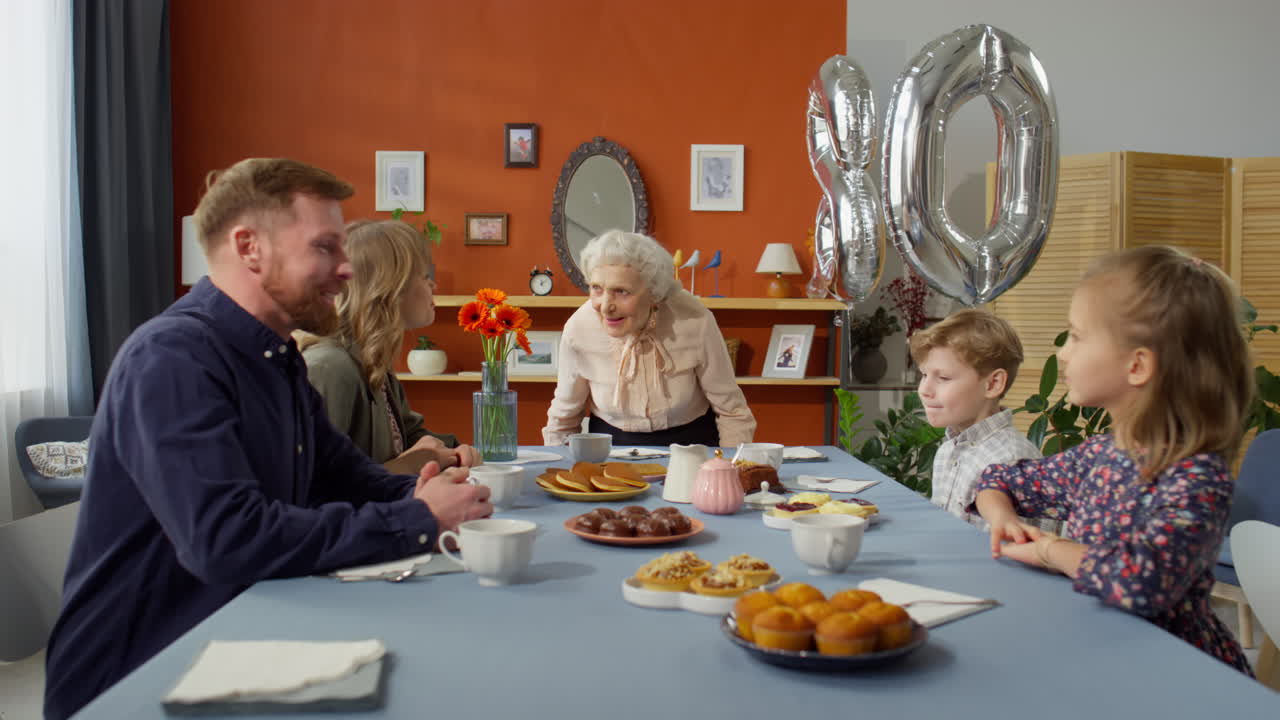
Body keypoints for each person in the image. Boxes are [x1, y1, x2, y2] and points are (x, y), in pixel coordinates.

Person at [44, 158, 493, 720]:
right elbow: (226, 537)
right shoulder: (172, 359)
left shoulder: (277, 361)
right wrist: (418, 519)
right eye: (325, 248)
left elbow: (352, 478)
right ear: (249, 247)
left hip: (241, 641)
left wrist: (421, 491)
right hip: (141, 677)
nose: (346, 269)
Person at [974, 245, 1253, 674]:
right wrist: (1002, 518)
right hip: (1101, 651)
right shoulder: (1099, 456)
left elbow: (1141, 580)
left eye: (1077, 336)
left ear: (1137, 365)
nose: (1063, 353)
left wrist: (1050, 550)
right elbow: (998, 479)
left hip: (1176, 673)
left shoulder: (1197, 478)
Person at [542, 229, 755, 447]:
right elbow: (563, 420)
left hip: (693, 448)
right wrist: (561, 471)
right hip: (609, 451)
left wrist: (729, 469)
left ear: (655, 293)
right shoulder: (579, 328)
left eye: (622, 291)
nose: (605, 306)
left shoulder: (695, 320)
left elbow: (733, 412)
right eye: (596, 288)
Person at [298, 219, 479, 474]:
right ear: (390, 287)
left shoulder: (372, 359)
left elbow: (409, 435)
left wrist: (455, 452)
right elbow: (313, 490)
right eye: (425, 276)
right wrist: (405, 467)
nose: (433, 285)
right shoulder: (330, 368)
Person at [911, 308, 1041, 530]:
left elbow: (1011, 554)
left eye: (943, 377)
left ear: (992, 384)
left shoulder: (1010, 460)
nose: (924, 390)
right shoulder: (947, 451)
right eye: (924, 375)